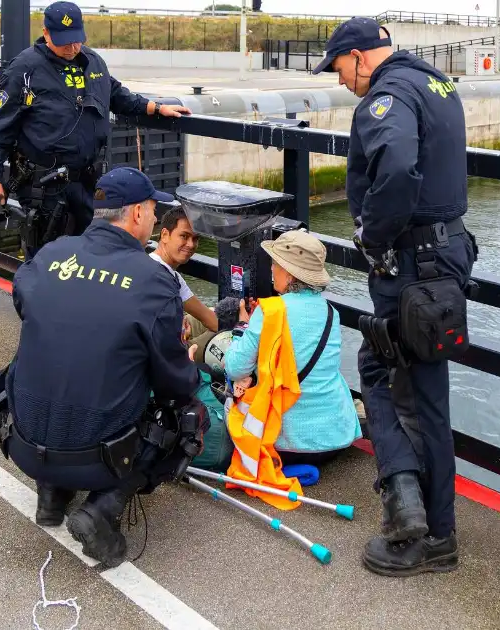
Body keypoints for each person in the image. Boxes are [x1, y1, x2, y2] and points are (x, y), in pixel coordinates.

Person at [312, 18, 478, 576]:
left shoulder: (386, 96)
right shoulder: (435, 82)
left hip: (410, 262)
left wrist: (371, 234)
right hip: (444, 255)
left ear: (360, 56)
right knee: (399, 376)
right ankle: (412, 504)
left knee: (407, 389)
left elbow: (401, 168)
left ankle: (426, 532)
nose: (342, 81)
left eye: (339, 68)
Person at [0, 166, 204, 568]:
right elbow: (176, 382)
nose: (157, 219)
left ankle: (51, 493)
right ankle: (103, 508)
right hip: (97, 457)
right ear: (137, 214)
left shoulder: (51, 254)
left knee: (51, 361)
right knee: (188, 414)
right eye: (153, 211)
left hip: (22, 442)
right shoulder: (154, 281)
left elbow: (24, 302)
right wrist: (186, 365)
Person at [0, 1, 191, 260]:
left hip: (90, 184)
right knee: (48, 260)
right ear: (46, 33)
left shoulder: (93, 62)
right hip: (47, 189)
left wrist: (154, 107)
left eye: (76, 39)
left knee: (92, 257)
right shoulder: (24, 70)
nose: (72, 47)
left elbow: (115, 93)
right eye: (64, 41)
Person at [221, 230, 362, 467]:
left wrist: (243, 325)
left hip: (284, 445)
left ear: (289, 273)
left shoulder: (270, 311)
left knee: (231, 387)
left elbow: (235, 368)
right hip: (335, 439)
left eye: (275, 263)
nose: (272, 269)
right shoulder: (331, 313)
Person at [152, 207, 218, 334]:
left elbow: (207, 317)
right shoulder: (159, 277)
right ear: (165, 235)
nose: (191, 244)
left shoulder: (173, 276)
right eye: (184, 236)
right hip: (160, 349)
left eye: (195, 239)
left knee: (214, 313)